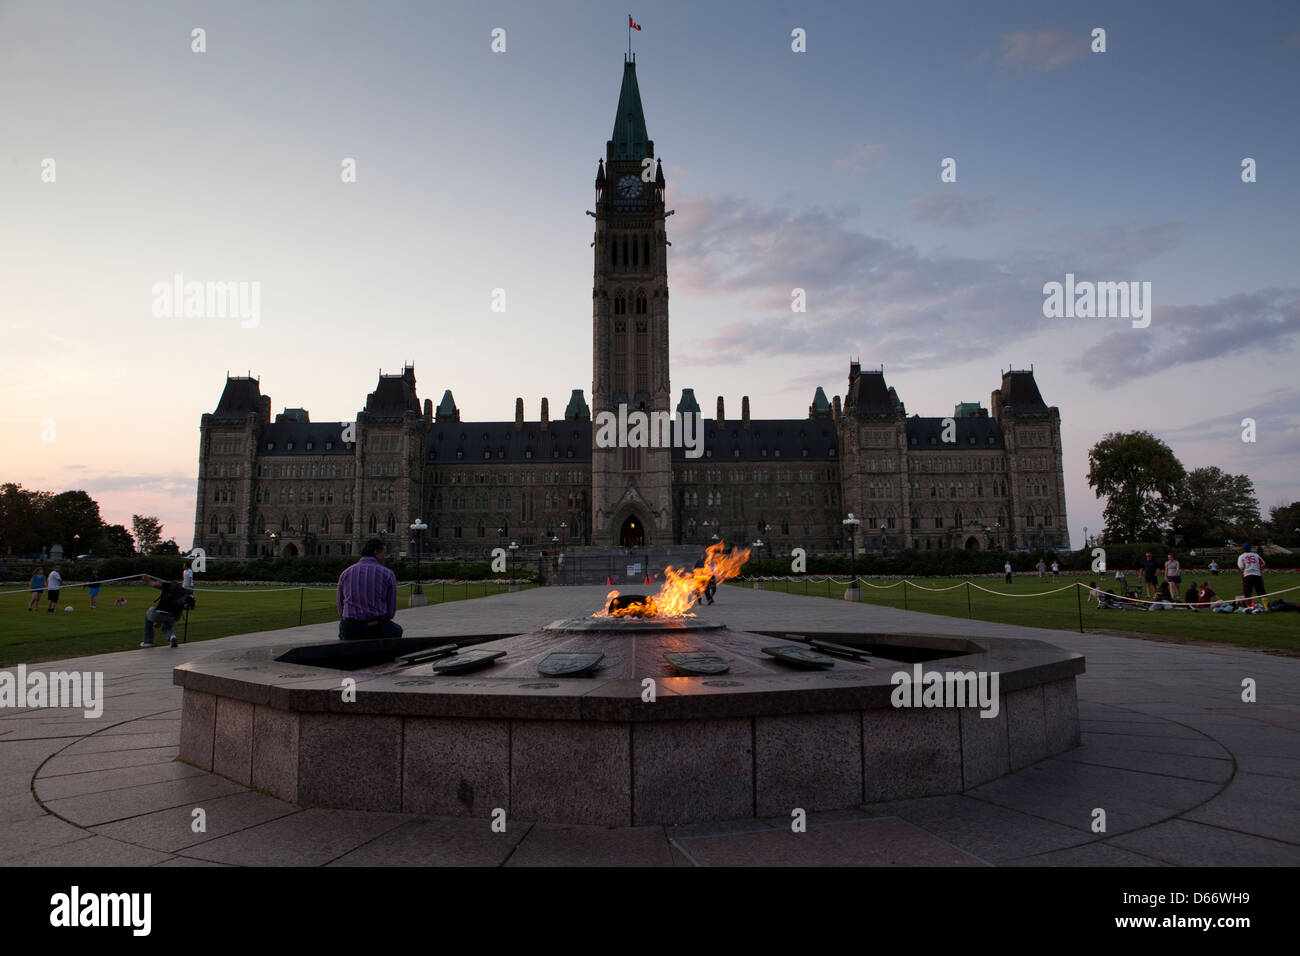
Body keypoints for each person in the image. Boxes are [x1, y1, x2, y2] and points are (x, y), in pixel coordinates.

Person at [337, 538, 402, 640]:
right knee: (397, 630)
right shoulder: (387, 574)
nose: (385, 557)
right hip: (376, 627)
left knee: (343, 627)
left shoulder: (346, 573)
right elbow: (391, 611)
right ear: (376, 552)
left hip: (349, 628)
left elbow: (340, 608)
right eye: (384, 553)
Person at [142, 575, 188, 648]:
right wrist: (163, 621)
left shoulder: (170, 585)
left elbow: (154, 584)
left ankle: (148, 642)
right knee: (167, 627)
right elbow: (178, 617)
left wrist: (147, 580)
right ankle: (172, 637)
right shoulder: (183, 593)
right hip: (172, 617)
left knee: (149, 612)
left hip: (159, 614)